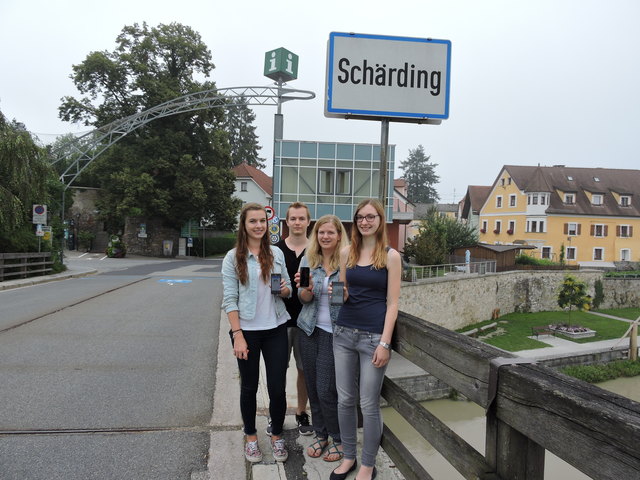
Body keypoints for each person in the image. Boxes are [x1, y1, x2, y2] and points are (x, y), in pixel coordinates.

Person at [330, 199, 402, 480]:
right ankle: (349, 457)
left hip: (373, 338)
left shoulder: (391, 256)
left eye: (370, 217)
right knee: (345, 401)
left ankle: (368, 465)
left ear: (380, 220)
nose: (365, 221)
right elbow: (342, 289)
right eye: (360, 217)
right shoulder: (347, 252)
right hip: (344, 333)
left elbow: (393, 303)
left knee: (369, 403)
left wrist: (385, 343)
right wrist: (339, 294)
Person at [222, 202, 292, 463]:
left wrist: (285, 290)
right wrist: (237, 334)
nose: (259, 225)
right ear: (244, 225)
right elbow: (230, 299)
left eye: (262, 221)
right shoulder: (233, 258)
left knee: (277, 387)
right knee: (249, 387)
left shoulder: (276, 253)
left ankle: (276, 434)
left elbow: (287, 291)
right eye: (253, 221)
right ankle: (251, 437)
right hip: (247, 331)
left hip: (275, 327)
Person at [295, 215, 349, 462]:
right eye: (321, 232)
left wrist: (344, 294)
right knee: (314, 388)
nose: (325, 237)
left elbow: (345, 300)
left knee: (327, 390)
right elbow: (303, 299)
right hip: (308, 329)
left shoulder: (348, 261)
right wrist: (305, 291)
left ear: (339, 236)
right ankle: (321, 434)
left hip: (334, 332)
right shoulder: (308, 260)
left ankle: (338, 438)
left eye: (330, 233)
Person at [274, 202, 313, 436]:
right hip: (279, 320)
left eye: (302, 218)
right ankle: (276, 414)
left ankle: (301, 412)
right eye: (293, 219)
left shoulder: (317, 250)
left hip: (308, 320)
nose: (297, 222)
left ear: (308, 222)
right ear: (286, 222)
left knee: (304, 370)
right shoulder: (275, 250)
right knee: (277, 370)